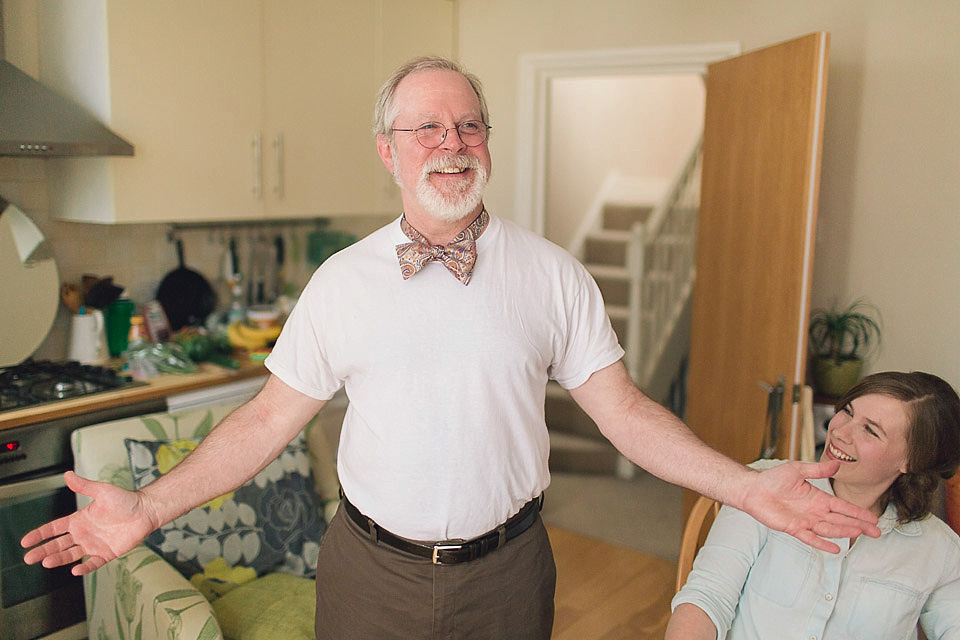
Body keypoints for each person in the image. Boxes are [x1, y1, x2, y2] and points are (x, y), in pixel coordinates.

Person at [22, 56, 881, 640]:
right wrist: (146, 508)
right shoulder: (343, 282)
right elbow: (265, 423)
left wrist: (749, 488)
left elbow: (624, 415)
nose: (451, 144)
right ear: (388, 151)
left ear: (487, 145)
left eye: (468, 127)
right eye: (426, 128)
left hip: (510, 572)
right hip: (369, 573)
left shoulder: (553, 276)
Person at [667, 371, 960, 640]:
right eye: (848, 412)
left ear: (911, 460)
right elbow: (706, 599)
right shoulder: (764, 485)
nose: (840, 432)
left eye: (870, 430)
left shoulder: (939, 549)